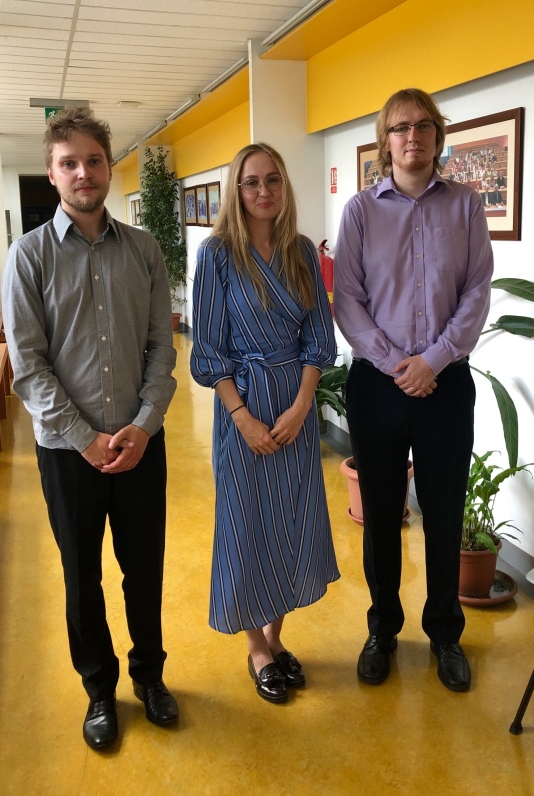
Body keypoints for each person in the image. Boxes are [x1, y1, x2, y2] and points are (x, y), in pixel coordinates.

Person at [1, 108, 179, 749]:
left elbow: (162, 348)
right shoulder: (29, 257)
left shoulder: (145, 250)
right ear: (52, 174)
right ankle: (99, 690)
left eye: (94, 160)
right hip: (68, 453)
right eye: (69, 163)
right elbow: (30, 365)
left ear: (110, 166)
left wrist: (143, 424)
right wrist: (84, 437)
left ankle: (151, 676)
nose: (83, 172)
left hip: (139, 446)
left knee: (145, 570)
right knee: (83, 575)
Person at [334, 88, 493, 693]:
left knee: (445, 515)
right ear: (386, 141)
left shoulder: (466, 206)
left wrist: (433, 360)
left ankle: (446, 635)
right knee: (380, 516)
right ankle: (383, 629)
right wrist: (400, 363)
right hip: (379, 386)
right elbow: (348, 300)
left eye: (424, 126)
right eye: (401, 127)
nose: (413, 137)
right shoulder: (359, 211)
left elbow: (478, 291)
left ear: (437, 137)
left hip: (446, 384)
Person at [190, 143, 340, 703]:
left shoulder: (301, 251)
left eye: (272, 180)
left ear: (284, 186)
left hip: (294, 414)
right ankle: (256, 646)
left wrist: (302, 408)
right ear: (236, 189)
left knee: (292, 525)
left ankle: (277, 638)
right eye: (251, 182)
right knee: (246, 528)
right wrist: (243, 418)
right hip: (243, 410)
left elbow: (318, 340)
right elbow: (208, 350)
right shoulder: (217, 257)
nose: (263, 192)